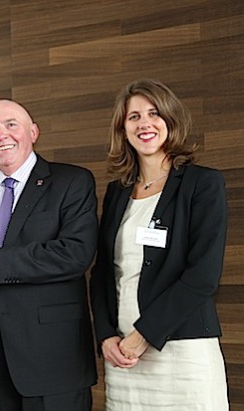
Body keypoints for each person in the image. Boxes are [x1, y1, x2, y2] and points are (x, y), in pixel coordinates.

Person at [89, 79, 229, 410]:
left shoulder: (202, 184)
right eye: (133, 116)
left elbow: (203, 276)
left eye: (154, 114)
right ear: (123, 129)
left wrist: (145, 335)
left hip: (182, 351)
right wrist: (106, 335)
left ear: (169, 120)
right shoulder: (117, 192)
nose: (145, 124)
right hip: (124, 356)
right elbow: (103, 273)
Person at [0, 99, 98, 411]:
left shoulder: (72, 182)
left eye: (11, 125)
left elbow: (75, 254)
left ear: (33, 132)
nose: (0, 135)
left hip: (54, 362)